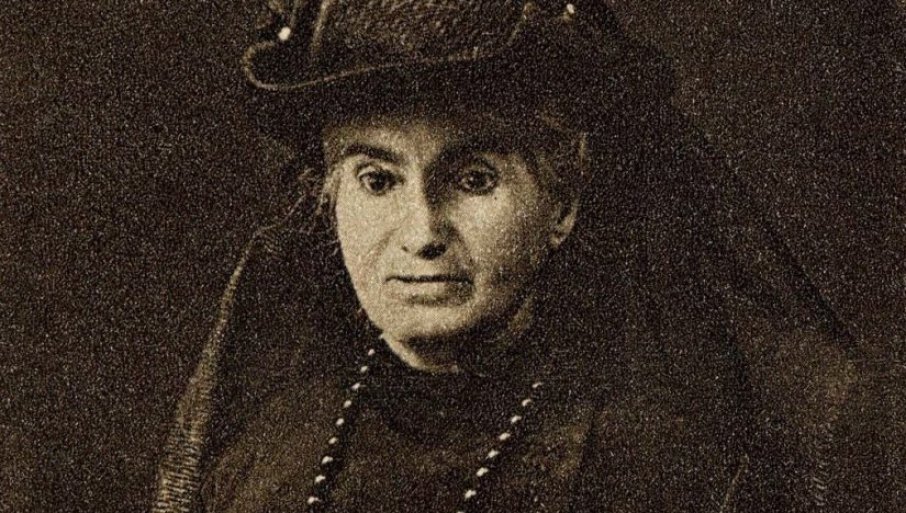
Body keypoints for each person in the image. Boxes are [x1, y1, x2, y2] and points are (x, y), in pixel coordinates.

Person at [152, 1, 837, 511]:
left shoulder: (666, 470)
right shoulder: (262, 463)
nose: (423, 231)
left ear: (562, 205)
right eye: (378, 181)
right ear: (330, 202)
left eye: (474, 179)